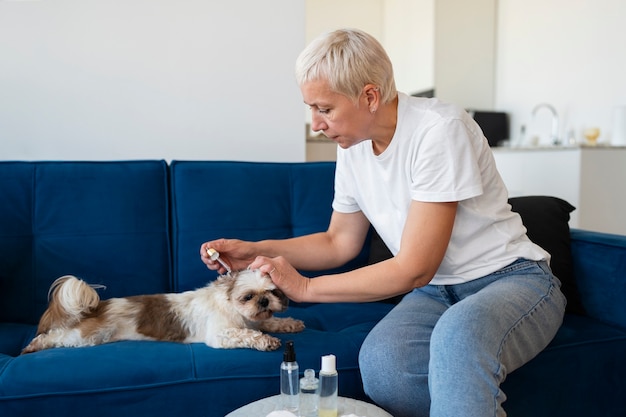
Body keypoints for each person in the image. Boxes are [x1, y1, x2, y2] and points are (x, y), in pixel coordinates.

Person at [200, 28, 566, 417]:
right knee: (384, 366)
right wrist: (255, 251)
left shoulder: (439, 129)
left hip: (511, 279)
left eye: (324, 108)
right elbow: (338, 242)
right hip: (437, 294)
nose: (315, 124)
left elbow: (415, 268)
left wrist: (305, 287)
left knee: (459, 338)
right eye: (311, 108)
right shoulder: (353, 146)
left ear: (369, 96)